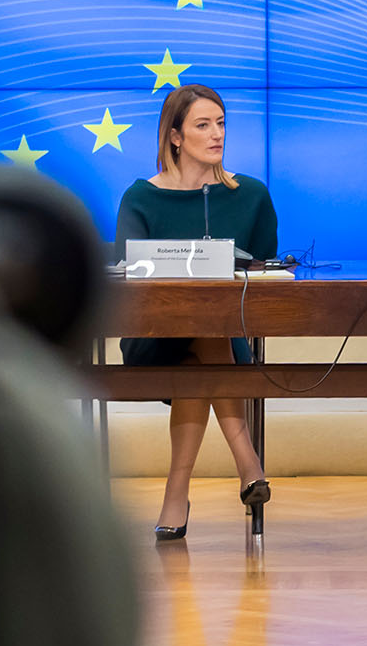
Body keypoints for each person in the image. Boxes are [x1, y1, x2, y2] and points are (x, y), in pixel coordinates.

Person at [116, 84, 273, 539]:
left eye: (221, 123)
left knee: (206, 334)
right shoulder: (141, 197)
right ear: (175, 137)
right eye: (203, 125)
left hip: (221, 340)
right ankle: (248, 461)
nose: (217, 134)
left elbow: (263, 275)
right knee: (204, 327)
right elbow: (133, 274)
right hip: (152, 337)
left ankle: (175, 494)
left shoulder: (251, 195)